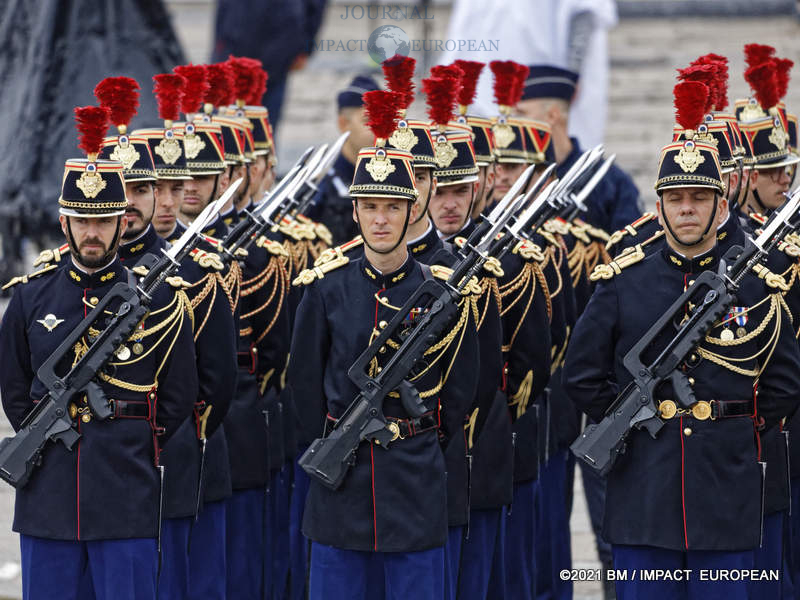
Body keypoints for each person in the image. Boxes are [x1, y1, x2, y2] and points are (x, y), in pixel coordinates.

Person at [563, 127, 800, 600]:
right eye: (675, 199)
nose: (687, 208)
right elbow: (581, 375)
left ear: (722, 207)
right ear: (659, 209)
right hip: (644, 492)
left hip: (726, 490)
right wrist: (634, 417)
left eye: (699, 197)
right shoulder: (623, 282)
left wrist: (735, 427)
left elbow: (784, 383)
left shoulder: (756, 286)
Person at [0, 106, 198, 600]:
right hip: (48, 493)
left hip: (126, 492)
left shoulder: (161, 300)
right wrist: (50, 431)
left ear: (120, 222)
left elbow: (179, 394)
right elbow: (15, 389)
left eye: (104, 220)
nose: (93, 232)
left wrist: (129, 441)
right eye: (83, 220)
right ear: (64, 221)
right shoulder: (30, 297)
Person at [288, 100, 480, 598]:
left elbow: (461, 391)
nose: (380, 220)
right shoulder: (326, 287)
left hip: (414, 481)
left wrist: (415, 436)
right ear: (354, 210)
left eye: (392, 207)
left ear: (413, 209)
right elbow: (303, 389)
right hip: (340, 486)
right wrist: (335, 439)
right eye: (370, 207)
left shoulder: (443, 292)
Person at [307, 75, 381, 245]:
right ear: (343, 124)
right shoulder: (320, 187)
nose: (378, 129)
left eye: (382, 120)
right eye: (368, 121)